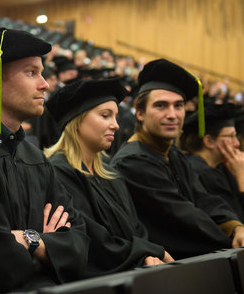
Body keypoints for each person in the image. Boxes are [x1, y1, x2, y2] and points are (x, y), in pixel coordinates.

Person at [0, 28, 89, 293]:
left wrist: (30, 241)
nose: (45, 84)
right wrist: (49, 244)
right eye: (31, 72)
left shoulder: (35, 158)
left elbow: (79, 241)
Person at [110, 58, 244, 259]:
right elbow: (183, 218)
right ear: (140, 112)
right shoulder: (132, 162)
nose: (173, 115)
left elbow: (204, 198)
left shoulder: (172, 153)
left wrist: (236, 227)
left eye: (178, 106)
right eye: (161, 106)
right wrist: (232, 242)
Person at [44, 77, 173, 278]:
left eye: (115, 117)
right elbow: (91, 240)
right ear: (76, 121)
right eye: (105, 116)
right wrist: (145, 255)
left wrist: (147, 254)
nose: (116, 125)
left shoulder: (110, 174)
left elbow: (136, 229)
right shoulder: (58, 172)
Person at [181, 103, 244, 241]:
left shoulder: (220, 168)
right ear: (209, 141)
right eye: (231, 136)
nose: (236, 143)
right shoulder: (201, 172)